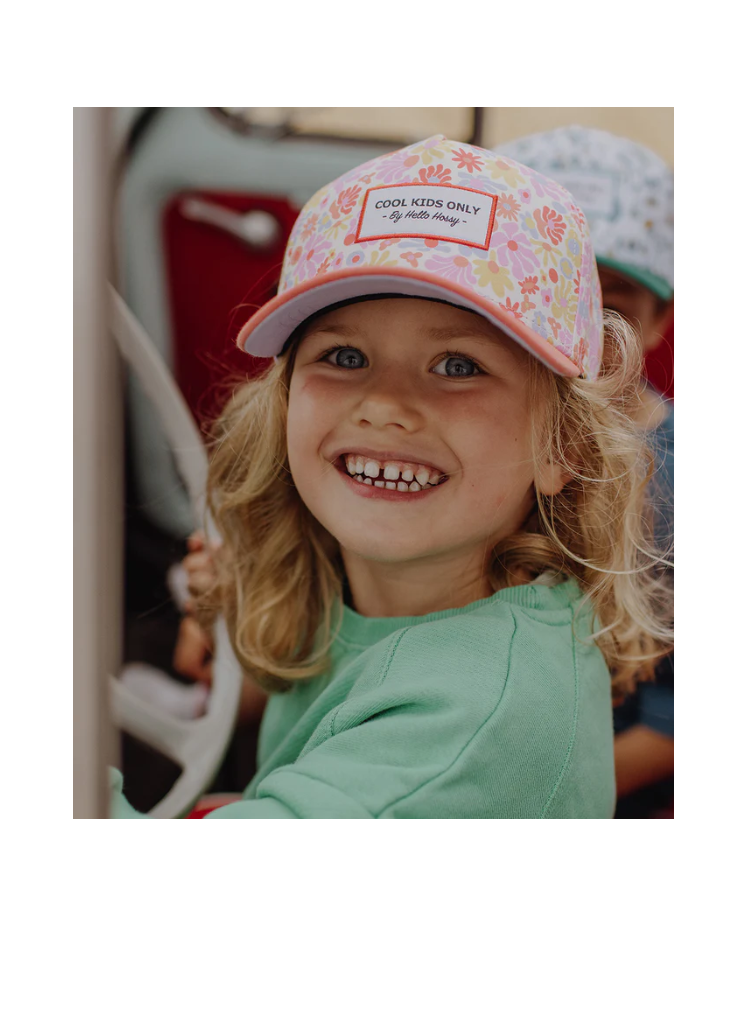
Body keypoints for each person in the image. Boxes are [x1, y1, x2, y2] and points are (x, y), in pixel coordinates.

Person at [110, 134, 672, 819]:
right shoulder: (395, 583)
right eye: (344, 354)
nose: (383, 405)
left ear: (562, 447)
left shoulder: (468, 727)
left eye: (458, 366)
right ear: (284, 407)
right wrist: (236, 610)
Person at [494, 126, 674, 815]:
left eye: (614, 307)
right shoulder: (459, 447)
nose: (577, 327)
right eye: (552, 294)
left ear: (658, 321)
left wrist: (530, 796)